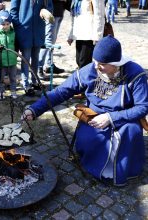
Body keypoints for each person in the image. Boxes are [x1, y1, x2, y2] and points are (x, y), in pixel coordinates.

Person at [22, 35, 148, 186]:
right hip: (94, 117)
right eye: (95, 61)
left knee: (130, 132)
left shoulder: (135, 73)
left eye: (102, 64)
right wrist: (34, 109)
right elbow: (61, 92)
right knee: (92, 139)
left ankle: (118, 171)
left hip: (124, 118)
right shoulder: (89, 71)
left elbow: (143, 107)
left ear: (115, 64)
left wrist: (111, 117)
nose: (96, 66)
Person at [10, 0, 53, 96]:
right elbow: (13, 10)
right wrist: (19, 25)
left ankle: (34, 81)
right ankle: (26, 84)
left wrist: (46, 12)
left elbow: (50, 7)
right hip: (24, 30)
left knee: (36, 58)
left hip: (38, 30)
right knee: (26, 58)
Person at [67, 0, 105, 69]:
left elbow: (99, 15)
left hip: (89, 35)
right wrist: (71, 35)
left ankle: (84, 78)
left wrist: (97, 36)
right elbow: (74, 18)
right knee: (78, 61)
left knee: (84, 63)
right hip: (78, 35)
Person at [0, 10, 17, 100]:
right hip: (1, 62)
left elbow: (16, 45)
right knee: (0, 78)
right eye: (3, 24)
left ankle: (13, 91)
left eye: (7, 24)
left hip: (12, 61)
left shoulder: (13, 33)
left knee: (13, 78)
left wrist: (15, 55)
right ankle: (0, 92)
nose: (5, 26)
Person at [38, 0, 67, 79]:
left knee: (52, 41)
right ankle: (39, 67)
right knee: (48, 41)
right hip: (50, 13)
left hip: (59, 11)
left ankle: (49, 64)